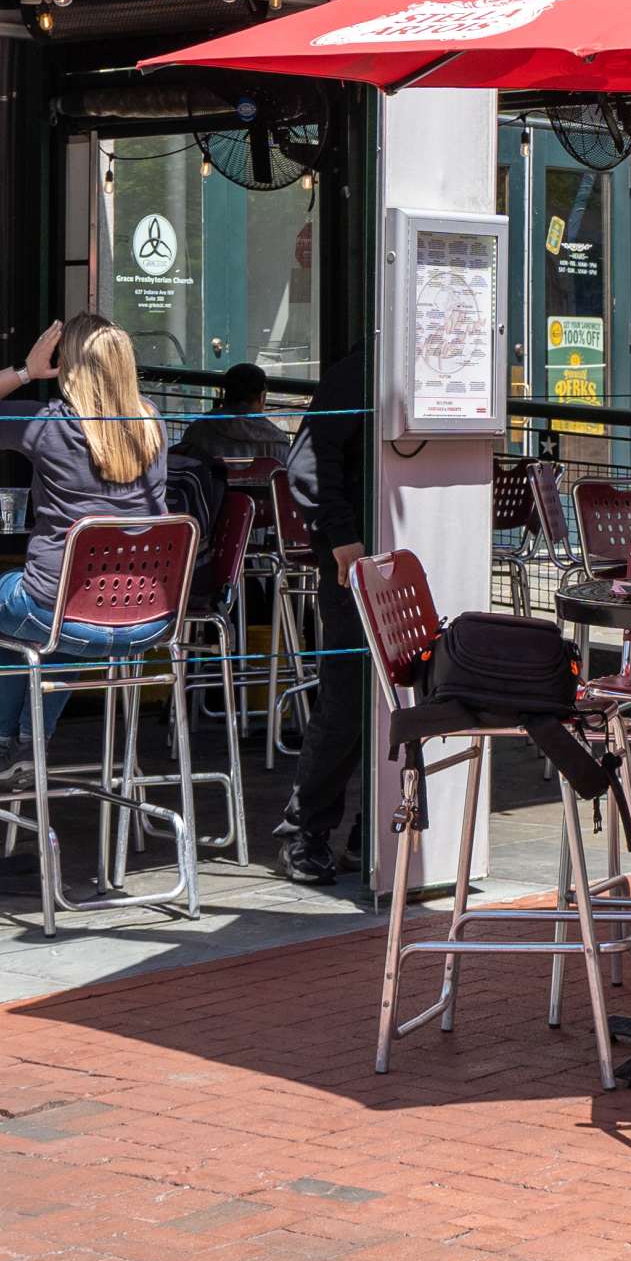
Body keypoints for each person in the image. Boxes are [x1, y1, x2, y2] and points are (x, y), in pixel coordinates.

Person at [0, 318, 171, 794]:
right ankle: (30, 740)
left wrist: (25, 370)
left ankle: (4, 743)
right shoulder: (154, 423)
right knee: (74, 610)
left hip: (63, 612)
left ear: (69, 365)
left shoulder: (48, 424)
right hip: (148, 619)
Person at [273, 338, 372, 886]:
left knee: (421, 695)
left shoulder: (432, 372)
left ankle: (377, 827)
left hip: (415, 551)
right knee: (349, 696)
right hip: (356, 562)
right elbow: (308, 459)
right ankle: (304, 829)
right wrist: (342, 538)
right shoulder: (361, 369)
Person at [176, 362, 298, 487]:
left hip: (210, 505)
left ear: (225, 394)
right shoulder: (278, 444)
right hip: (262, 506)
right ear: (262, 397)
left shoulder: (197, 431)